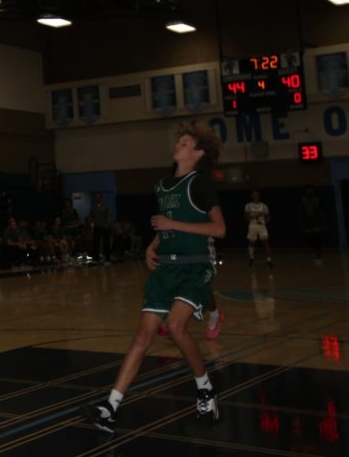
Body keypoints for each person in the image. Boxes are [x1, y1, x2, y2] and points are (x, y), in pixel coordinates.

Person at [81, 124, 226, 434]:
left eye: (184, 143)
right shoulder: (162, 185)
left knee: (175, 326)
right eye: (179, 141)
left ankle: (205, 390)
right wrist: (153, 244)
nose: (178, 146)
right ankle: (111, 407)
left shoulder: (200, 184)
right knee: (142, 337)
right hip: (166, 269)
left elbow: (219, 229)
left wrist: (170, 223)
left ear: (197, 153)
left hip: (194, 266)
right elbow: (168, 227)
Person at [244, 190, 271, 269]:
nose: (255, 195)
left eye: (257, 194)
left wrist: (264, 222)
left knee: (265, 242)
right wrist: (256, 216)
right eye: (254, 194)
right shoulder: (248, 205)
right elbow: (246, 217)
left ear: (259, 195)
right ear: (251, 196)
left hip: (261, 226)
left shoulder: (263, 205)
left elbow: (268, 217)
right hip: (252, 225)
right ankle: (251, 258)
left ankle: (269, 260)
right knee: (251, 242)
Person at [299, 186, 326, 264]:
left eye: (311, 190)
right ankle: (315, 251)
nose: (309, 191)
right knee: (310, 238)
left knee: (317, 237)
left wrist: (323, 222)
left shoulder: (317, 199)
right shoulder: (303, 200)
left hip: (316, 221)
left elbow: (321, 211)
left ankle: (319, 253)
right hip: (307, 222)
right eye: (308, 190)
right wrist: (302, 222)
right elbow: (301, 211)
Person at [91, 192, 112, 263]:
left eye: (98, 197)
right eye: (95, 197)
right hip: (97, 227)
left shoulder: (105, 206)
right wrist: (92, 225)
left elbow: (108, 215)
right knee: (96, 243)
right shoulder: (93, 207)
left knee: (106, 243)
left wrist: (107, 223)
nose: (97, 198)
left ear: (101, 198)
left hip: (104, 226)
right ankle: (96, 258)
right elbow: (92, 217)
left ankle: (107, 258)